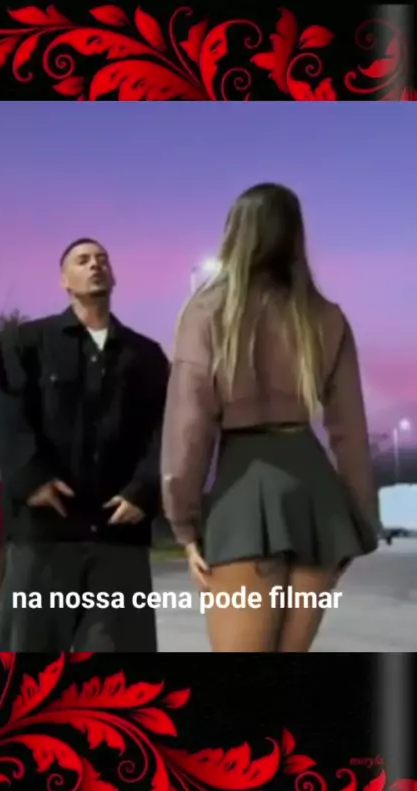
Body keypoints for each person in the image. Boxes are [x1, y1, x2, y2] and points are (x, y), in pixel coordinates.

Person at [161, 183, 379, 653]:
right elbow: (350, 433)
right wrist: (359, 522)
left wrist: (184, 525)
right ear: (296, 235)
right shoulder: (326, 317)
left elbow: (188, 429)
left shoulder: (206, 312)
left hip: (242, 494)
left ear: (236, 234)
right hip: (315, 496)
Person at [0, 238, 169, 652]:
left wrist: (144, 489)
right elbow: (5, 417)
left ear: (113, 276)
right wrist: (32, 478)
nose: (95, 265)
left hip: (119, 537)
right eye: (82, 260)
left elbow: (166, 429)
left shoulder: (146, 355)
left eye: (102, 259)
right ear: (64, 280)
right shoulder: (25, 343)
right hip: (44, 535)